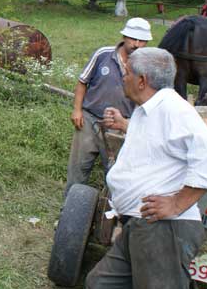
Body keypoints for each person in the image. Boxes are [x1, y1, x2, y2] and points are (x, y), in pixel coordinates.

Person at [86, 47, 207, 289]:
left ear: (142, 80)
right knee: (103, 286)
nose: (122, 78)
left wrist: (176, 203)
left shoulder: (172, 108)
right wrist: (124, 123)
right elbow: (155, 142)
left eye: (126, 73)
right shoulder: (148, 109)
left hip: (162, 230)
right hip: (139, 225)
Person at [63, 17, 152, 197]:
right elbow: (82, 82)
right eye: (133, 39)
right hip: (89, 120)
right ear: (124, 36)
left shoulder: (146, 65)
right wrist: (77, 110)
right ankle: (70, 207)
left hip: (120, 126)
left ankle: (110, 213)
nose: (137, 44)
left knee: (115, 173)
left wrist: (131, 125)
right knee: (78, 168)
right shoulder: (103, 54)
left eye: (142, 41)